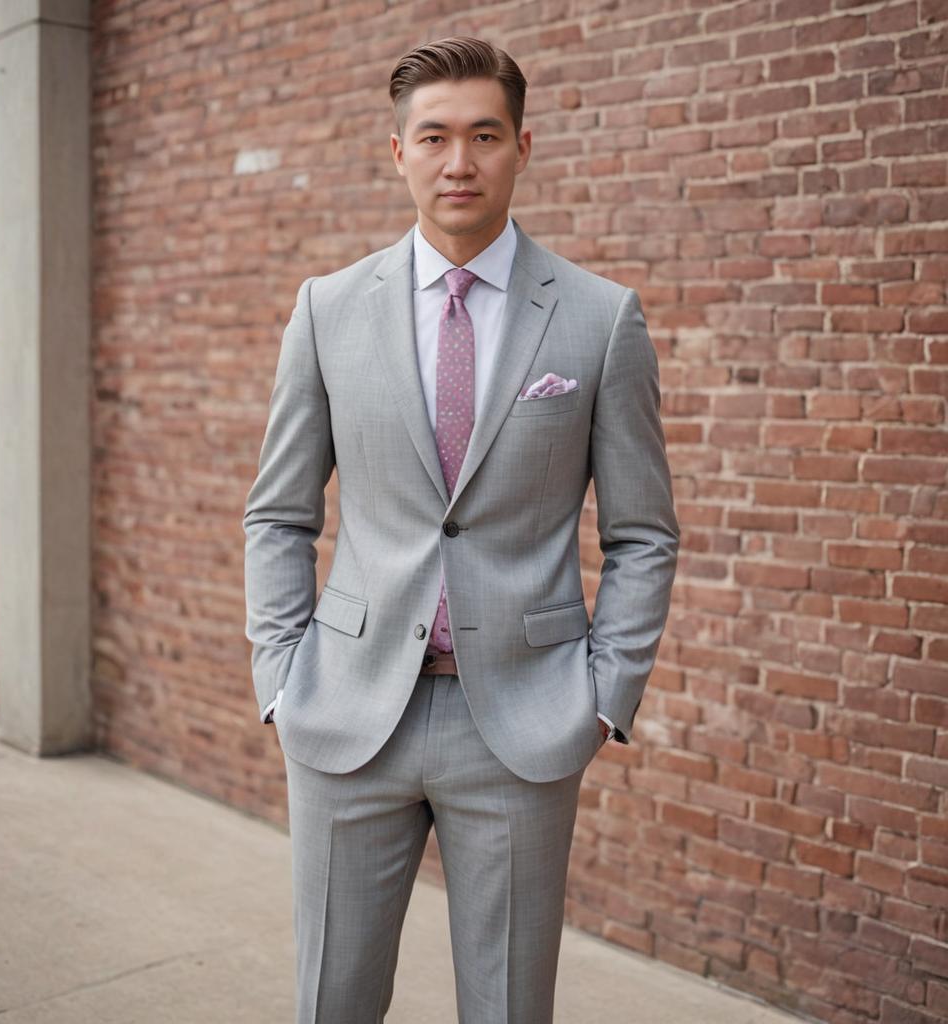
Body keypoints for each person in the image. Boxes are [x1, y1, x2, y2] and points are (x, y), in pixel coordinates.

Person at [243, 35, 680, 1024]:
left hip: (522, 724)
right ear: (395, 152)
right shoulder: (325, 311)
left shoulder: (600, 320)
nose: (459, 161)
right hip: (345, 715)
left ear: (522, 145)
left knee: (510, 1007)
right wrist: (280, 674)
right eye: (433, 136)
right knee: (331, 1001)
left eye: (483, 134)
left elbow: (644, 532)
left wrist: (602, 697)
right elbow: (277, 511)